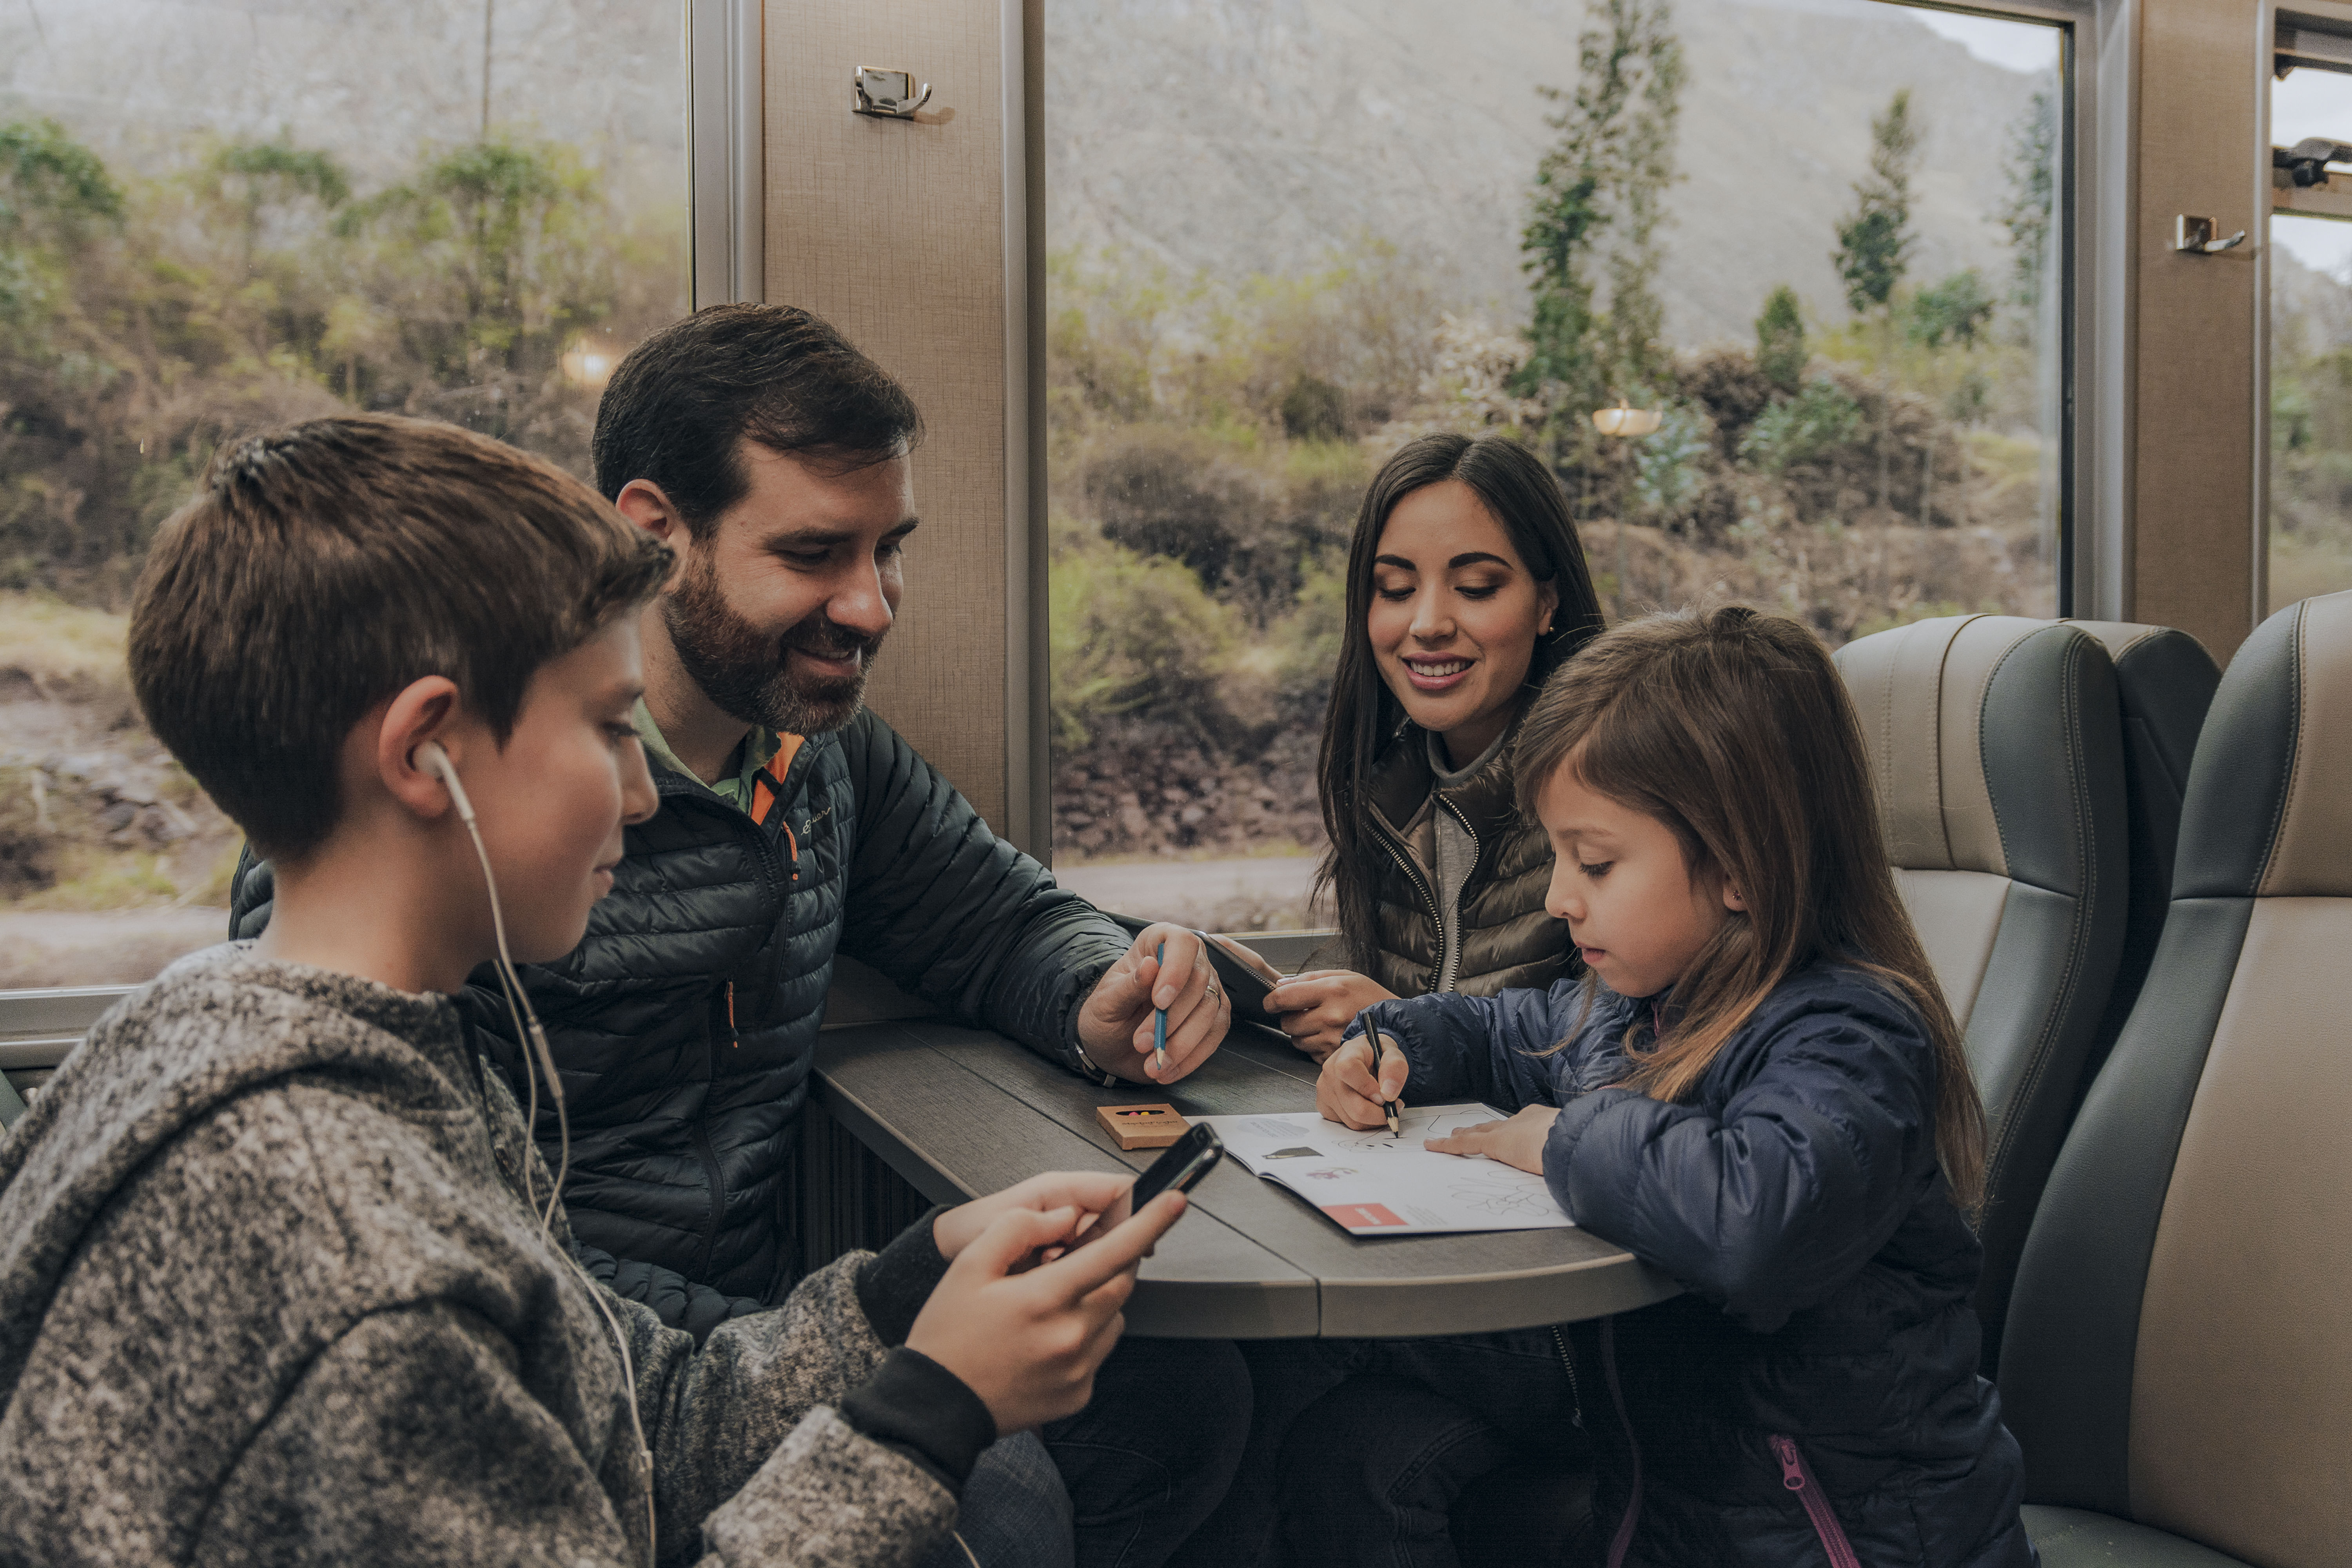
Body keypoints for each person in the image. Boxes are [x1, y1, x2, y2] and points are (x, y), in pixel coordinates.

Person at [0, 414, 1189, 1565]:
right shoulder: (373, 1278)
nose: (643, 791)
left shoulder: (277, 1033)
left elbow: (634, 1408)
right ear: (426, 754)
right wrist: (927, 1417)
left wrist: (898, 1290)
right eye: (613, 727)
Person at [1309, 606, 2031, 1566]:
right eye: (1558, 855)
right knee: (1356, 1444)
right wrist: (1390, 1041)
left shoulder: (1852, 1035)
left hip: (1851, 1545)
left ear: (1738, 867)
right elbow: (1500, 1031)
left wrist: (1562, 1137)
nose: (1560, 896)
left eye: (1595, 862)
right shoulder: (1632, 1007)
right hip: (1681, 1526)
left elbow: (1757, 1215)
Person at [1264, 432, 1604, 1060]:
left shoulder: (1615, 790)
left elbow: (1637, 1052)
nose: (1427, 624)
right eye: (1396, 589)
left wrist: (1407, 1027)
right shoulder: (1383, 797)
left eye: (1475, 587)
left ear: (1547, 602)